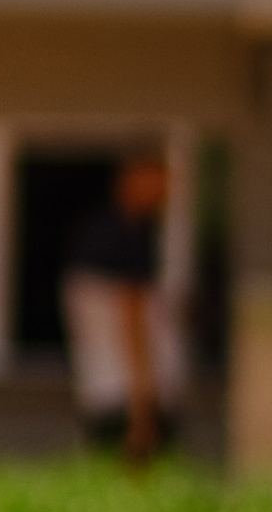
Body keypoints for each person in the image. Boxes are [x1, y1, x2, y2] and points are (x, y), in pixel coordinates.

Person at [59, 151, 183, 463]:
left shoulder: (103, 232)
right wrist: (142, 409)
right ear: (131, 179)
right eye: (159, 180)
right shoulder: (125, 238)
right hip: (126, 394)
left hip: (100, 389)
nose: (167, 191)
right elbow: (131, 319)